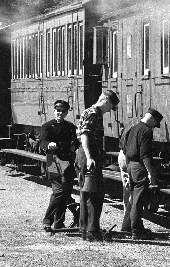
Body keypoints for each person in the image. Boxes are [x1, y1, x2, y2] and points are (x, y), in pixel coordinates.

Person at [74, 89, 119, 241]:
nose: (109, 111)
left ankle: (85, 229)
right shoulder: (94, 113)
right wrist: (89, 157)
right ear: (105, 101)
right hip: (89, 154)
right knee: (95, 194)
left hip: (87, 154)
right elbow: (85, 135)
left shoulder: (89, 111)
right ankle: (92, 232)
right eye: (110, 107)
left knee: (86, 192)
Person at [120, 108, 163, 239]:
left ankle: (134, 227)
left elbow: (126, 149)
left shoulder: (133, 128)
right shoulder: (146, 131)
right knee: (138, 201)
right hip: (139, 167)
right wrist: (150, 173)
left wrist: (128, 168)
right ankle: (136, 231)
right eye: (155, 124)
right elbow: (145, 155)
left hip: (131, 166)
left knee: (133, 199)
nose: (154, 127)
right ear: (153, 119)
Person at [40, 100, 78, 231]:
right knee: (59, 191)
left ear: (67, 113)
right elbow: (42, 141)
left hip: (66, 160)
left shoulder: (70, 127)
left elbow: (77, 140)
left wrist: (75, 146)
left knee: (65, 190)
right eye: (58, 111)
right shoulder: (47, 126)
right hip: (52, 159)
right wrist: (48, 145)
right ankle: (47, 219)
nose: (60, 113)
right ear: (54, 111)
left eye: (63, 111)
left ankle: (59, 223)